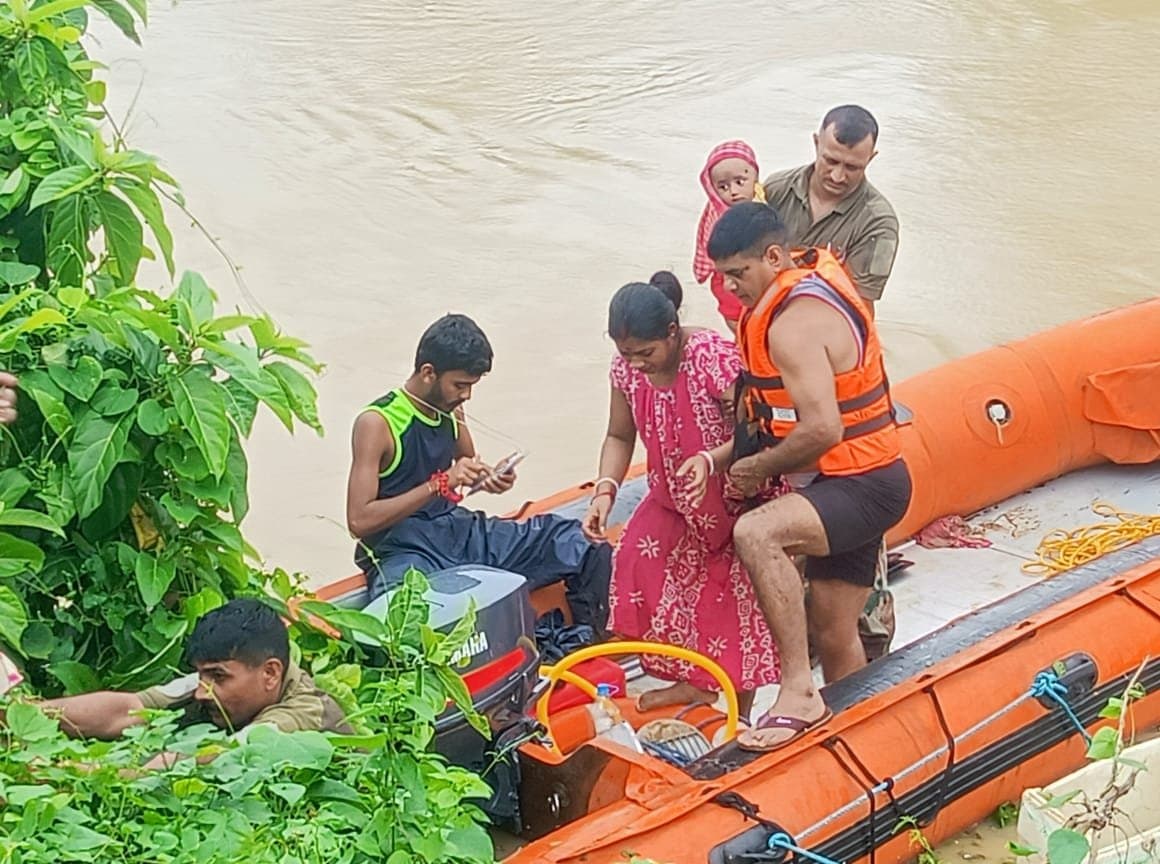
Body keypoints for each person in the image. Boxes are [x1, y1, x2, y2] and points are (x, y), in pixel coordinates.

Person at [689, 202, 911, 751]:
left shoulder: (791, 326)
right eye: (724, 275)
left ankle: (798, 693)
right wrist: (726, 458)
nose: (732, 287)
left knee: (755, 533)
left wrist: (758, 469)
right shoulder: (805, 286)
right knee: (835, 630)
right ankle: (862, 742)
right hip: (863, 479)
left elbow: (822, 429)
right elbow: (775, 414)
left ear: (772, 256)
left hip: (862, 486)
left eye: (740, 273)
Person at [582, 272, 780, 716]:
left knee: (728, 602)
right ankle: (691, 682)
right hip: (675, 498)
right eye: (626, 354)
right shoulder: (626, 371)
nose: (636, 364)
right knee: (636, 558)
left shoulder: (712, 358)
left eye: (646, 353)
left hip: (735, 497)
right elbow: (619, 434)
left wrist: (711, 459)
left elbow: (756, 427)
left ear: (672, 334)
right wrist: (604, 492)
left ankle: (738, 709)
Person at [347, 313, 611, 631]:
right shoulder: (376, 423)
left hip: (457, 531)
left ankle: (585, 643)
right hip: (401, 550)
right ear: (428, 373)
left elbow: (468, 468)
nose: (466, 395)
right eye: (460, 385)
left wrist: (493, 479)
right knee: (406, 621)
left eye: (471, 386)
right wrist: (439, 484)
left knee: (581, 544)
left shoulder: (452, 409)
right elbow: (359, 520)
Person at [24, 599, 351, 755]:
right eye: (202, 676)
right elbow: (128, 710)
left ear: (270, 673)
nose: (202, 693)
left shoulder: (303, 713)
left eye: (218, 677)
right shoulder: (209, 682)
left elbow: (218, 758)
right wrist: (23, 714)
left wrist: (73, 774)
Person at [762, 105, 898, 312]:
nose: (837, 176)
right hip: (766, 311)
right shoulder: (775, 190)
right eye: (831, 161)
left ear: (870, 158)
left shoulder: (878, 223)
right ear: (817, 144)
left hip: (827, 324)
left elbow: (860, 305)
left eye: (852, 167)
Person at [694, 141, 767, 331]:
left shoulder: (766, 202)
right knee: (738, 320)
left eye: (740, 182)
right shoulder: (717, 215)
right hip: (728, 277)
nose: (733, 192)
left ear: (755, 177)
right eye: (723, 187)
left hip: (757, 276)